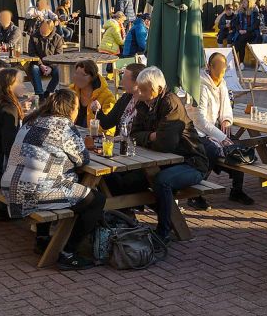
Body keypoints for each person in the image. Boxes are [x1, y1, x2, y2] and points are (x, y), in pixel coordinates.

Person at [1, 89, 105, 270]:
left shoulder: (32, 120)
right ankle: (69, 252)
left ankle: (42, 238)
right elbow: (83, 159)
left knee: (51, 178)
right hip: (32, 193)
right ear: (71, 108)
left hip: (10, 185)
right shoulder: (64, 126)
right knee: (95, 200)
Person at [130, 67, 209, 244]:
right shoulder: (144, 103)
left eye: (144, 89)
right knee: (129, 178)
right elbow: (133, 133)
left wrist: (149, 136)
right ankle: (126, 220)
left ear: (158, 89)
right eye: (140, 88)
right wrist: (152, 135)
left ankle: (163, 231)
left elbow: (166, 144)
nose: (140, 93)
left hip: (192, 162)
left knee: (162, 181)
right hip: (167, 162)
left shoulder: (170, 103)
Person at [191, 52, 253, 209]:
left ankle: (236, 190)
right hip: (198, 132)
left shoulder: (222, 83)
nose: (221, 72)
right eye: (218, 68)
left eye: (224, 68)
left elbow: (226, 107)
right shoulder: (200, 86)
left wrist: (226, 119)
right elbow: (200, 120)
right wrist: (221, 136)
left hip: (215, 130)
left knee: (239, 148)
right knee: (210, 152)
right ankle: (195, 194)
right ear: (209, 67)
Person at [90, 62, 146, 131]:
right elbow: (107, 123)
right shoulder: (125, 98)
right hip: (120, 141)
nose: (121, 82)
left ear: (137, 83)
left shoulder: (148, 104)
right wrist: (97, 111)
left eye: (125, 80)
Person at [71, 60, 115, 129]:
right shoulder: (71, 92)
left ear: (92, 77)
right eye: (76, 73)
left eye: (83, 75)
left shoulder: (107, 96)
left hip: (94, 137)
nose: (78, 77)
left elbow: (108, 127)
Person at [27, 20, 64, 97]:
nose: (42, 30)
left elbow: (58, 56)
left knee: (59, 71)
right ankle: (39, 93)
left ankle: (49, 91)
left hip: (52, 64)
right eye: (41, 28)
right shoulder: (34, 37)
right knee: (34, 68)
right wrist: (41, 65)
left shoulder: (58, 38)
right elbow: (32, 53)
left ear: (50, 30)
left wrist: (50, 67)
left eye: (45, 29)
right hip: (38, 63)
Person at [231, 0, 260, 69]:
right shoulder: (240, 11)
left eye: (244, 2)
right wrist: (239, 30)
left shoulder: (254, 10)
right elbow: (235, 23)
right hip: (242, 32)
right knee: (240, 40)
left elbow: (256, 24)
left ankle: (232, 58)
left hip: (253, 32)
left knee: (241, 39)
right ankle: (240, 63)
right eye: (242, 2)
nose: (243, 4)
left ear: (249, 2)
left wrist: (246, 30)